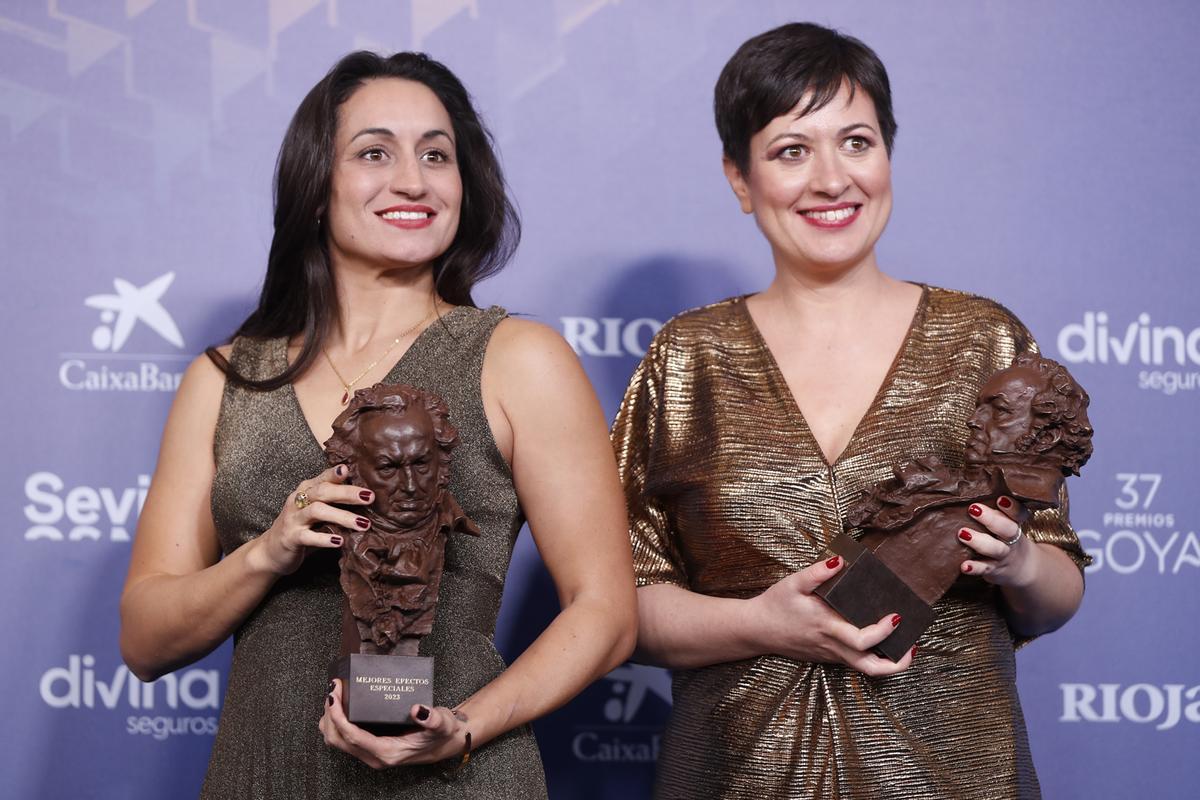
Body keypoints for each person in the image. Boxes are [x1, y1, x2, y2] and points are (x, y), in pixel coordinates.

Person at [120, 51, 636, 799]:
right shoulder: (227, 377)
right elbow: (143, 638)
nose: (413, 180)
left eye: (437, 154)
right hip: (264, 774)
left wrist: (463, 727)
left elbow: (607, 612)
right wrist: (269, 551)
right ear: (316, 186)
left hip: (458, 776)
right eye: (374, 153)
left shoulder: (520, 359)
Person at [612, 22, 1089, 799]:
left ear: (889, 156)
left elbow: (1055, 593)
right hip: (737, 775)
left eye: (857, 142)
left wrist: (1021, 563)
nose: (832, 179)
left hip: (955, 777)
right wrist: (761, 624)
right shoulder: (685, 358)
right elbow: (619, 605)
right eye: (792, 150)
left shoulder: (986, 341)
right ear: (740, 178)